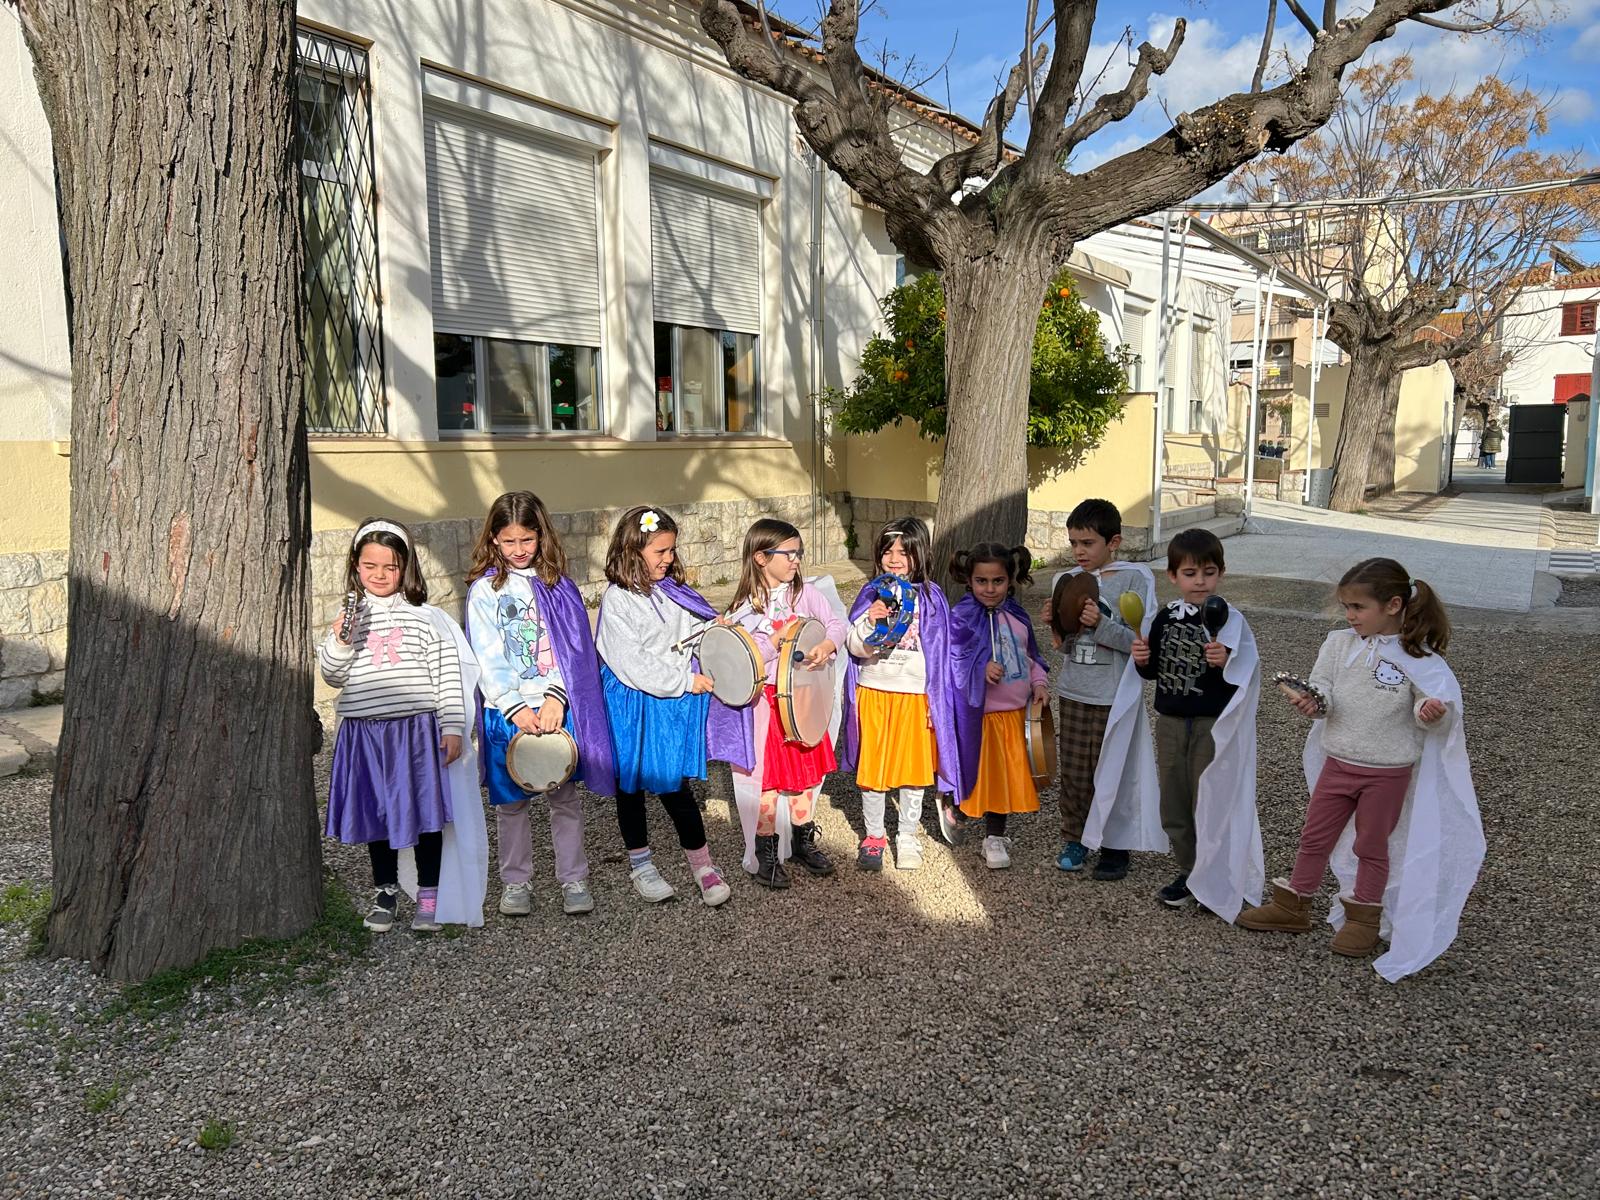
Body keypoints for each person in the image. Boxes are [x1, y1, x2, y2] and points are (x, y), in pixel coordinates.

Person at [1237, 558, 1485, 980]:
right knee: (1314, 835)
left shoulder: (1417, 656)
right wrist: (1314, 702)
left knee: (1371, 844)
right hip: (1339, 761)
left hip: (1387, 771)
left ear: (1392, 605)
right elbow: (1325, 689)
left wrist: (1431, 711)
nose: (1350, 616)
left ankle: (1364, 917)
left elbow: (1432, 708)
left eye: (1357, 607)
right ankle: (1294, 903)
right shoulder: (1338, 645)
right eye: (1346, 607)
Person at [319, 518, 483, 933]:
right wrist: (340, 641)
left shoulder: (425, 618)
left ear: (405, 567)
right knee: (378, 814)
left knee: (426, 814)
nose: (379, 575)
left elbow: (446, 676)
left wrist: (452, 727)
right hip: (365, 734)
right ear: (355, 565)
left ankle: (429, 897)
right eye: (369, 566)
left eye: (389, 567)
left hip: (415, 734)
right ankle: (385, 892)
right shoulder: (348, 618)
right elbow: (332, 675)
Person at [466, 491, 616, 919]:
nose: (518, 550)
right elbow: (486, 655)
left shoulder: (558, 586)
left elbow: (573, 650)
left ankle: (573, 877)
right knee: (511, 804)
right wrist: (514, 706)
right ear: (494, 539)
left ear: (541, 536)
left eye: (527, 540)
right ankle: (516, 881)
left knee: (563, 796)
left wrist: (555, 697)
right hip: (507, 714)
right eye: (509, 541)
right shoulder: (484, 592)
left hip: (554, 710)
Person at [594, 506, 745, 907]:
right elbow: (631, 661)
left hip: (665, 700)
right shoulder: (618, 600)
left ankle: (703, 865)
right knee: (630, 786)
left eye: (671, 550)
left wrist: (712, 630)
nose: (668, 558)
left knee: (674, 784)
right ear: (632, 551)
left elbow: (689, 633)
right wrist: (683, 681)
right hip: (633, 702)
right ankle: (641, 864)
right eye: (660, 551)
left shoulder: (670, 591)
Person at [1129, 530, 1263, 918]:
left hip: (1212, 724)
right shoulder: (1164, 618)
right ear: (1173, 576)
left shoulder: (1231, 621)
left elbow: (1246, 673)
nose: (1200, 581)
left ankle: (1215, 874)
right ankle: (1189, 871)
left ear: (1221, 572)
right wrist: (1141, 660)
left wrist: (1228, 662)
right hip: (1171, 723)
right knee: (1174, 800)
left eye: (1208, 572)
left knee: (1209, 799)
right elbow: (1153, 672)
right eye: (1190, 573)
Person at [839, 517, 979, 871]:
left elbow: (942, 655)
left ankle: (907, 836)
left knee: (913, 772)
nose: (894, 559)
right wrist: (870, 622)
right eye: (888, 551)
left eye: (904, 552)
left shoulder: (931, 598)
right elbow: (854, 647)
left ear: (921, 555)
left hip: (915, 698)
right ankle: (874, 837)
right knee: (873, 770)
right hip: (874, 693)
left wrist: (937, 702)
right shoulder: (872, 593)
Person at [726, 519, 848, 888]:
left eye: (799, 553)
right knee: (768, 781)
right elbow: (743, 660)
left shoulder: (806, 594)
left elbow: (836, 624)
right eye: (789, 554)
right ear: (761, 557)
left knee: (804, 773)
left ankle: (801, 838)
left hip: (804, 700)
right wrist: (774, 640)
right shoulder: (745, 608)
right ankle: (765, 849)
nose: (796, 560)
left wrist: (827, 645)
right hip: (767, 704)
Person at [1041, 499, 1158, 881]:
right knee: (1076, 772)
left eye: (1088, 543)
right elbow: (1066, 647)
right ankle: (1074, 839)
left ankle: (1114, 845)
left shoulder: (1135, 579)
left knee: (1115, 771)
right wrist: (1058, 626)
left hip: (1114, 696)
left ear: (1114, 542)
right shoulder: (1065, 580)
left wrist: (1101, 623)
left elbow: (1142, 643)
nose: (1079, 551)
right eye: (1074, 542)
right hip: (1075, 690)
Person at [949, 543, 1050, 870]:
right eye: (982, 581)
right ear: (969, 580)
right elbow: (949, 661)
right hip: (979, 718)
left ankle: (994, 836)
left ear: (1010, 580)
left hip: (1013, 716)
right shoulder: (961, 618)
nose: (990, 589)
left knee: (1002, 779)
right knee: (981, 775)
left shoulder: (1018, 617)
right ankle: (956, 807)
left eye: (998, 581)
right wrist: (979, 668)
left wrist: (1039, 683)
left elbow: (1032, 656)